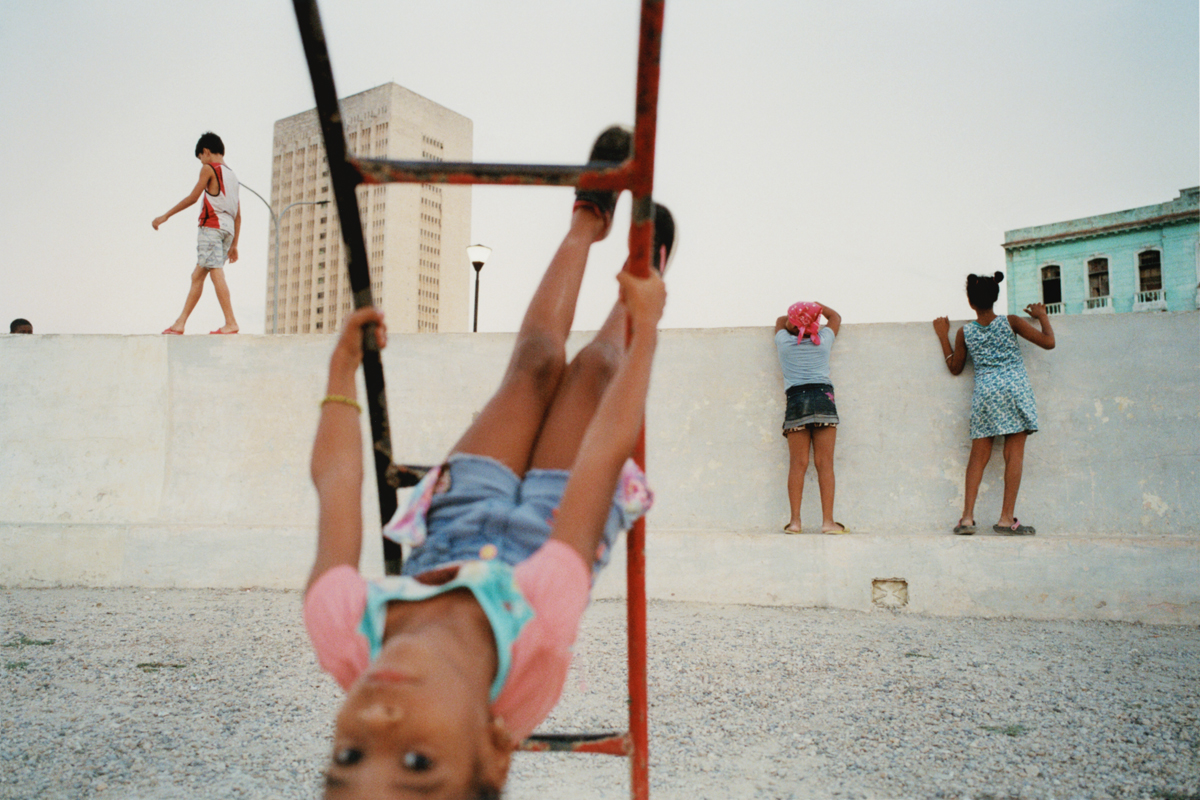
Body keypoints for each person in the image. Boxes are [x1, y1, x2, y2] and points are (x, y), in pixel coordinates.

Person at [303, 127, 676, 797]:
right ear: (494, 751)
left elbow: (337, 482)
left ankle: (585, 224)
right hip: (549, 533)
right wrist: (646, 330)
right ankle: (635, 289)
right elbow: (600, 457)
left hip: (458, 521)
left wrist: (341, 367)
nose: (378, 722)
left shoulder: (341, 631)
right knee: (591, 373)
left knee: (533, 367)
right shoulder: (539, 635)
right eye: (416, 765)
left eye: (347, 760)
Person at [933, 271, 1055, 535]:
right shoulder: (1011, 322)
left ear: (970, 301)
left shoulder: (965, 332)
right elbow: (1049, 342)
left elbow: (955, 368)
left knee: (978, 457)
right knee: (1014, 455)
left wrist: (943, 335)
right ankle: (1005, 518)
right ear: (996, 297)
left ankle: (966, 518)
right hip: (1015, 390)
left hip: (986, 393)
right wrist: (1041, 315)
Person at [153, 132, 241, 335]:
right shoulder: (233, 176)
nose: (201, 161)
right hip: (227, 230)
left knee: (215, 271)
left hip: (211, 227)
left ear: (206, 152)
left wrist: (165, 216)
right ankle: (179, 323)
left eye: (200, 157)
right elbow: (238, 215)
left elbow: (193, 198)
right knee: (197, 276)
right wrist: (235, 244)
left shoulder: (209, 169)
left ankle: (231, 322)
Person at [774, 301, 848, 535]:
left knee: (798, 464)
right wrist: (817, 307)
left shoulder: (784, 343)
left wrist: (798, 319)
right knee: (825, 464)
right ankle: (828, 522)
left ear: (792, 326)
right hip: (823, 398)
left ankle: (795, 522)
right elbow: (835, 316)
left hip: (796, 400)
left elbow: (779, 321)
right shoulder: (824, 340)